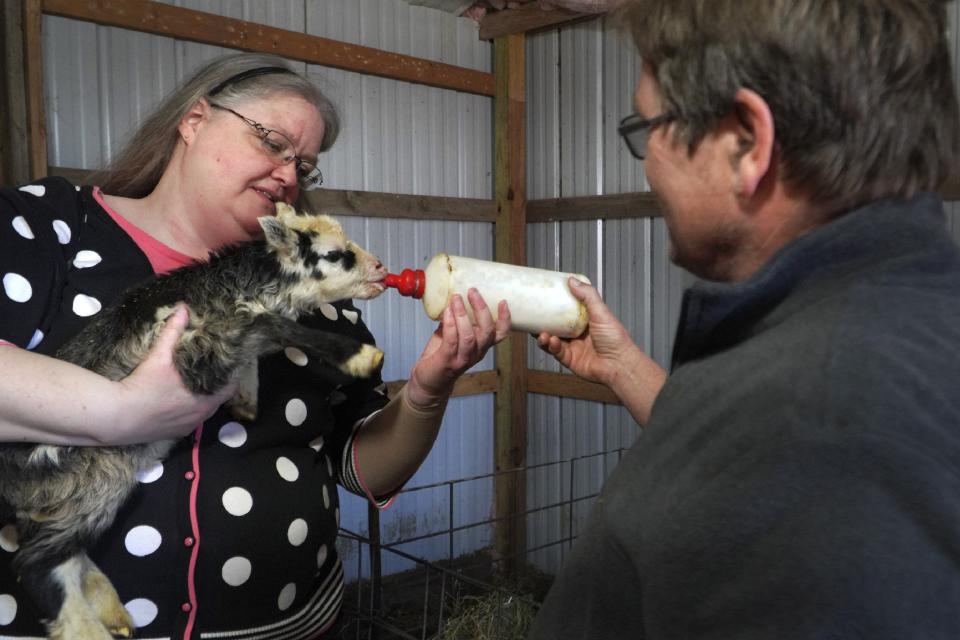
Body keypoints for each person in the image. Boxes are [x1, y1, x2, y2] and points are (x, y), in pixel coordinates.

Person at [0, 52, 509, 639]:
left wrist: (428, 391)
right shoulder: (48, 230)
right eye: (273, 143)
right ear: (194, 120)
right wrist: (121, 412)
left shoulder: (315, 294)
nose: (291, 175)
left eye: (306, 166)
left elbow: (358, 465)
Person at [529, 0, 960, 637]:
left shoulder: (819, 419)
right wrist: (625, 369)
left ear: (746, 142)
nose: (648, 162)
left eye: (649, 129)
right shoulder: (898, 320)